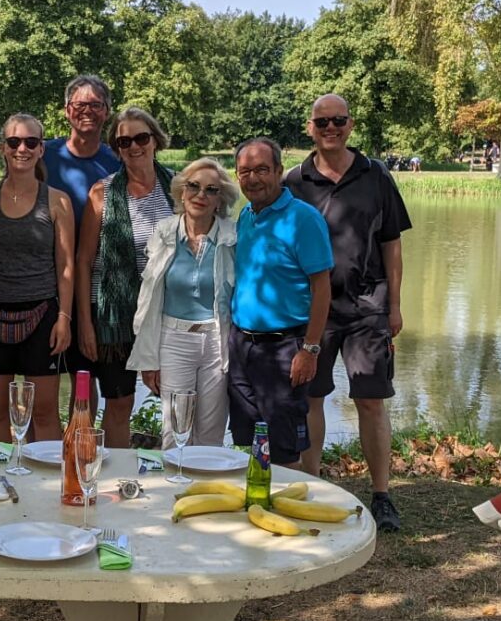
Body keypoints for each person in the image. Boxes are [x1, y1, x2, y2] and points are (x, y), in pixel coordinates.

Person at [286, 94, 412, 532]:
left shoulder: (376, 175)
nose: (331, 128)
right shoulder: (293, 180)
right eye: (322, 122)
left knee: (371, 401)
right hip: (312, 311)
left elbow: (392, 244)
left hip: (367, 308)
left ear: (350, 125)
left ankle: (382, 495)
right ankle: (312, 488)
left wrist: (394, 305)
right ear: (310, 127)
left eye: (338, 120)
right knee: (310, 400)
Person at [0, 114, 74, 442]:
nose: (21, 148)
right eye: (14, 142)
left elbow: (65, 266)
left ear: (41, 149)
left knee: (45, 412)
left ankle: (44, 487)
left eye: (30, 142)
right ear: (3, 149)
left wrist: (64, 317)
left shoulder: (57, 201)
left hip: (43, 315)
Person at [227, 136, 331, 469]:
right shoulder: (245, 215)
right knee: (253, 439)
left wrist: (310, 349)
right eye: (245, 172)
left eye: (261, 169)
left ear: (279, 171)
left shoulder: (303, 219)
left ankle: (290, 512)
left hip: (285, 347)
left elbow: (322, 288)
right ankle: (259, 507)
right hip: (242, 344)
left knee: (285, 448)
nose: (253, 178)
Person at [75, 107, 175, 448]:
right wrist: (85, 324)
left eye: (141, 138)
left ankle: (171, 476)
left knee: (173, 400)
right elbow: (85, 259)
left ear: (155, 140)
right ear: (116, 148)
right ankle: (118, 479)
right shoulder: (102, 194)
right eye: (124, 141)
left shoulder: (179, 188)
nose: (134, 146)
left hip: (166, 314)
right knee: (118, 403)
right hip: (115, 320)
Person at [127, 157, 239, 448]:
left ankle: (206, 492)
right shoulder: (165, 232)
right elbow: (148, 301)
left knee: (210, 433)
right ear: (181, 191)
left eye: (211, 190)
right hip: (173, 339)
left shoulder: (231, 237)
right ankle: (173, 491)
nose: (201, 195)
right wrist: (148, 358)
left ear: (220, 199)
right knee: (175, 431)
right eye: (194, 186)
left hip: (216, 341)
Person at [41, 75, 121, 413]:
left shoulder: (118, 161)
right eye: (79, 104)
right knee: (41, 385)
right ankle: (40, 456)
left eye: (95, 105)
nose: (87, 111)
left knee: (84, 379)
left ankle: (81, 451)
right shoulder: (42, 155)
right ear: (66, 111)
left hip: (99, 285)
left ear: (107, 112)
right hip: (46, 281)